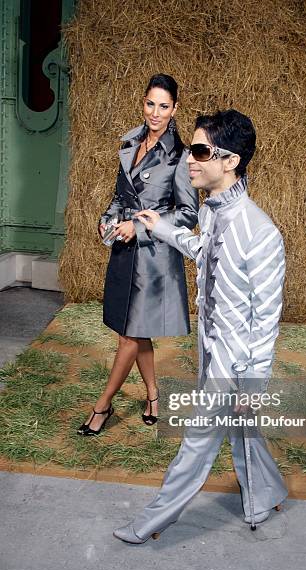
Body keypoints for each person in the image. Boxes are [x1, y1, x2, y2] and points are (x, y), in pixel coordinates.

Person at [113, 109, 288, 544]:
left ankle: (152, 521)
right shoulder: (212, 214)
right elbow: (206, 253)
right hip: (210, 347)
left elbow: (266, 320)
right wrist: (165, 229)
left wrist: (253, 387)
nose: (189, 159)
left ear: (230, 161)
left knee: (198, 439)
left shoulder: (261, 232)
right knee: (242, 428)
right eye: (191, 149)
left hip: (234, 362)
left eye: (201, 151)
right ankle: (267, 493)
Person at [77, 74, 199, 435]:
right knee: (133, 332)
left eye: (164, 106)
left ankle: (102, 407)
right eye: (150, 104)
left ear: (175, 109)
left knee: (130, 336)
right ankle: (153, 395)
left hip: (153, 259)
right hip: (124, 250)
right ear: (143, 102)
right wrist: (107, 221)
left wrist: (143, 226)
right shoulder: (131, 142)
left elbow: (188, 214)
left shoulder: (181, 155)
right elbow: (120, 198)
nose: (155, 113)